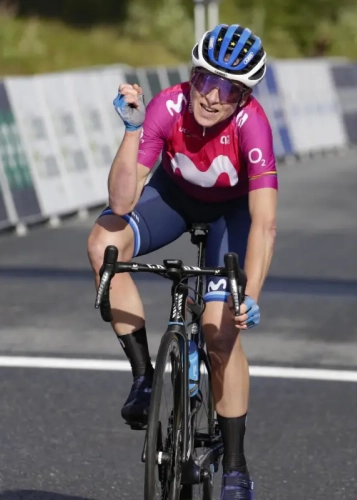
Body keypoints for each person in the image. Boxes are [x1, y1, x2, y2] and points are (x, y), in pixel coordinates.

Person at [87, 23, 277, 500]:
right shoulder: (167, 106)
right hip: (173, 201)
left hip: (229, 217)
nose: (212, 97)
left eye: (229, 89)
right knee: (102, 242)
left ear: (244, 96)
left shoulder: (252, 125)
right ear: (191, 74)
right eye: (205, 79)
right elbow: (123, 202)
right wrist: (132, 132)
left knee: (219, 331)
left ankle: (234, 466)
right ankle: (144, 379)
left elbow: (264, 224)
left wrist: (248, 295)